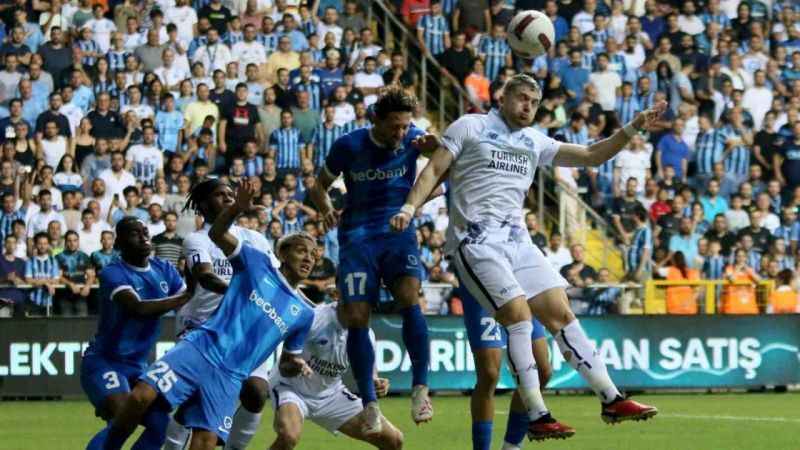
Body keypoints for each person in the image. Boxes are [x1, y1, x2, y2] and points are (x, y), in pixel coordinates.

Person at [391, 74, 662, 440]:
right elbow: (435, 169)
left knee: (561, 312)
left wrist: (632, 128)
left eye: (534, 103)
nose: (527, 107)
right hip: (476, 242)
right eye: (521, 99)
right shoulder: (470, 126)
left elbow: (592, 155)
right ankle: (537, 414)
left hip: (518, 242)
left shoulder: (534, 140)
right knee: (518, 317)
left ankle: (611, 398)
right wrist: (409, 207)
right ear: (502, 98)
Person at [96, 182, 315, 450]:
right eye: (221, 195)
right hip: (203, 335)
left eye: (313, 255)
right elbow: (207, 272)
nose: (308, 259)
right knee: (142, 397)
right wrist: (237, 210)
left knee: (242, 407)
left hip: (235, 364)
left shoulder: (299, 305)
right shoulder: (208, 243)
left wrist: (299, 363)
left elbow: (289, 356)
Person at [308, 87, 433, 434]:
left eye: (405, 126)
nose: (401, 133)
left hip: (398, 232)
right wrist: (326, 208)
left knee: (410, 299)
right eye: (394, 126)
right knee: (357, 317)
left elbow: (443, 163)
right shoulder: (349, 145)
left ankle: (420, 390)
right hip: (358, 238)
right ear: (376, 120)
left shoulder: (415, 138)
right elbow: (318, 186)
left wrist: (433, 150)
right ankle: (369, 404)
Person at [163, 179, 283, 450]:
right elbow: (205, 276)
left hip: (245, 327)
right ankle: (172, 445)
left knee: (256, 392)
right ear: (204, 205)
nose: (229, 198)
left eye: (231, 193)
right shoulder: (196, 239)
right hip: (203, 326)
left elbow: (277, 279)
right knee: (195, 400)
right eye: (220, 195)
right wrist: (242, 292)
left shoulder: (255, 238)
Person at [81, 217, 191, 450]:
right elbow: (138, 308)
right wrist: (186, 296)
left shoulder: (164, 269)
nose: (143, 238)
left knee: (163, 426)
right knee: (123, 416)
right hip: (104, 362)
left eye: (145, 232)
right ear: (119, 243)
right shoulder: (112, 273)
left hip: (138, 367)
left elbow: (191, 303)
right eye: (134, 234)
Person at [268, 301, 404, 450]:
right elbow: (284, 367)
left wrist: (377, 383)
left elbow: (370, 374)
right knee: (289, 436)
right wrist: (296, 366)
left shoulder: (365, 335)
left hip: (331, 394)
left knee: (394, 440)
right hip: (291, 388)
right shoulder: (315, 319)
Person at [456, 279, 552, 450]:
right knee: (489, 375)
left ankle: (512, 446)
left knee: (542, 371)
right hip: (484, 289)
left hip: (520, 288)